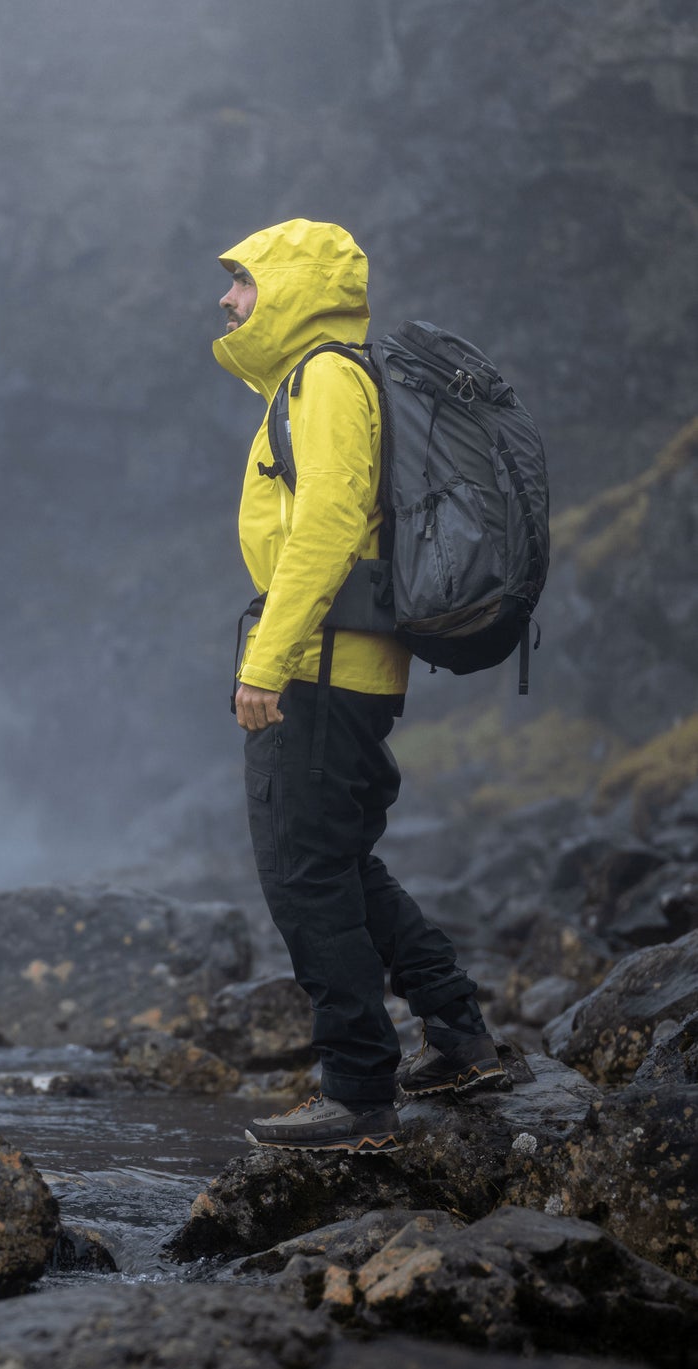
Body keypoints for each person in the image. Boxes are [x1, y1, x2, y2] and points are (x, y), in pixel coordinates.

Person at [211, 218, 503, 1153]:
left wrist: (266, 663)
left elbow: (328, 522)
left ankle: (357, 1092)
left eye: (243, 281)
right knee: (338, 862)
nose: (227, 300)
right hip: (344, 661)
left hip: (318, 667)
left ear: (292, 285)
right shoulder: (330, 377)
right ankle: (458, 1034)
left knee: (301, 875)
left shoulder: (325, 377)